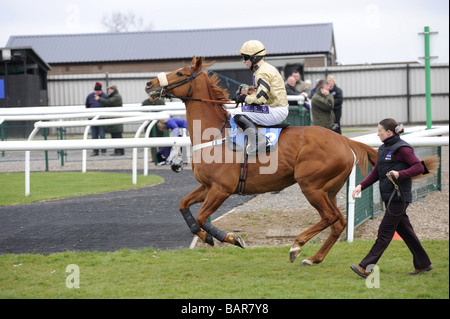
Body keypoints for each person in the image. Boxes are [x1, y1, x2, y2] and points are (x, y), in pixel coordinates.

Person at [350, 118, 433, 278]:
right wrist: (361, 185)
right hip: (389, 196)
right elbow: (376, 172)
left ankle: (366, 267)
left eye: (379, 130)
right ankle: (423, 263)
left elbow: (419, 167)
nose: (377, 133)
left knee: (384, 232)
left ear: (388, 132)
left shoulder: (402, 149)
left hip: (399, 197)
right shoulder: (382, 148)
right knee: (406, 231)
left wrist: (400, 174)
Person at [232, 40, 289, 155]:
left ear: (254, 58)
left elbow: (260, 99)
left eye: (245, 57)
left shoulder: (262, 73)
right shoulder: (264, 68)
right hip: (276, 107)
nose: (244, 61)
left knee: (235, 113)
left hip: (275, 110)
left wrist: (244, 98)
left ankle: (259, 141)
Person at [95, 85, 124, 156]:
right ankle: (117, 151)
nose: (108, 91)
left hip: (116, 121)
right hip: (114, 120)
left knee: (117, 137)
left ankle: (119, 151)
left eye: (109, 89)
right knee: (115, 136)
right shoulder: (114, 96)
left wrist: (99, 99)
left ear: (113, 89)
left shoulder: (116, 97)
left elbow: (108, 102)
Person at [85, 81, 107, 156]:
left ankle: (103, 151)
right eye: (95, 90)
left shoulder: (105, 96)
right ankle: (95, 151)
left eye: (98, 90)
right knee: (94, 135)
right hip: (92, 118)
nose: (96, 92)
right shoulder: (90, 96)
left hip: (101, 118)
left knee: (102, 135)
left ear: (101, 90)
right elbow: (87, 106)